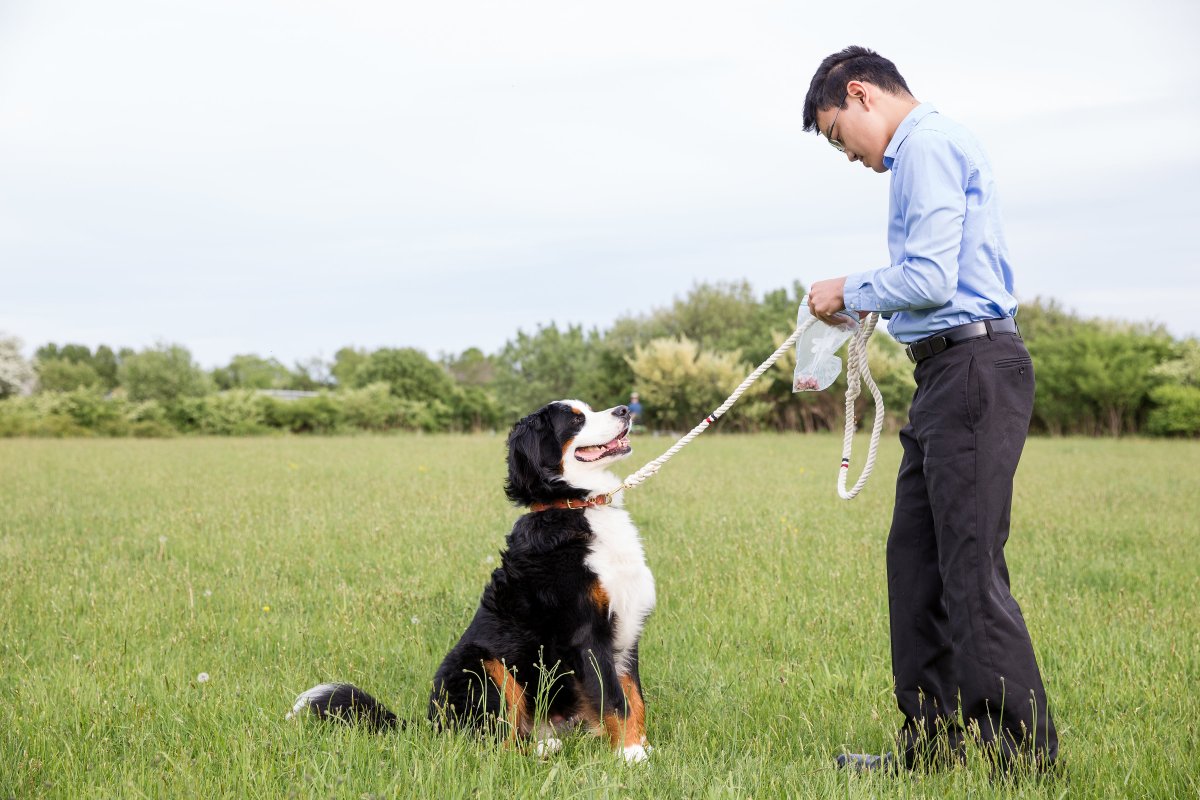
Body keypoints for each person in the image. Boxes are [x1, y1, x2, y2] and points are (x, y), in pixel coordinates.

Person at [801, 46, 1057, 773]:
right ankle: (932, 750)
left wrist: (849, 289)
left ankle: (1022, 762)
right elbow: (928, 283)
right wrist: (869, 304)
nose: (847, 155)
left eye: (836, 135)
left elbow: (932, 277)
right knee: (915, 564)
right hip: (946, 375)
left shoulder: (927, 146)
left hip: (974, 370)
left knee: (969, 569)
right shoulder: (922, 152)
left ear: (860, 94)